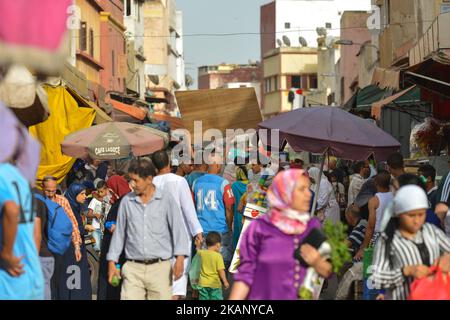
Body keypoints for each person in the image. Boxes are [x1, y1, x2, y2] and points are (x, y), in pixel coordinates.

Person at [229, 169, 332, 300]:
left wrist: (317, 262)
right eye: (301, 189)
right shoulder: (259, 228)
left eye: (308, 188)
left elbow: (326, 270)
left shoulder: (312, 227)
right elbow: (245, 275)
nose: (308, 194)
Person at [107, 159, 190, 300]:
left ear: (149, 179)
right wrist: (111, 261)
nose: (132, 185)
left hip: (160, 269)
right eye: (131, 180)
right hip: (133, 269)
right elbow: (119, 234)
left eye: (136, 180)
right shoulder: (127, 201)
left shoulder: (166, 199)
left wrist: (180, 259)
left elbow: (178, 229)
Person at [371, 185, 450, 300]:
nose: (417, 220)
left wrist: (447, 258)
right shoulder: (388, 240)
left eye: (421, 214)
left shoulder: (431, 231)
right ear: (399, 213)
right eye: (411, 215)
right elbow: (377, 277)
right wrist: (406, 271)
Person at [151, 150, 203, 300]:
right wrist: (197, 232)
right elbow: (188, 209)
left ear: (154, 167)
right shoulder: (179, 181)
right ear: (168, 163)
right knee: (177, 279)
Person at [0, 162, 44, 300]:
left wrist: (6, 254)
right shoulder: (26, 189)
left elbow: (11, 210)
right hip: (27, 269)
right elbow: (36, 233)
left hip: (9, 273)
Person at [42, 176, 83, 299]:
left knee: (57, 282)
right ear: (42, 187)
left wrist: (76, 246)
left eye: (53, 191)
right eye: (48, 191)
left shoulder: (62, 201)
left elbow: (72, 224)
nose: (50, 194)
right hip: (42, 248)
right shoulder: (37, 201)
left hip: (59, 248)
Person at [193, 155, 236, 269]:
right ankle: (221, 285)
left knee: (204, 264)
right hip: (220, 230)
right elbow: (229, 208)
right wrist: (229, 224)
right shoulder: (224, 183)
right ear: (217, 165)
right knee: (222, 263)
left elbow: (192, 206)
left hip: (201, 230)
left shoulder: (196, 183)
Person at [97, 175, 131, 300]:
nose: (109, 193)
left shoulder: (124, 202)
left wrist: (111, 226)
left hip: (116, 250)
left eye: (110, 190)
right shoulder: (122, 201)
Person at [56, 183, 92, 300]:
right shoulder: (68, 208)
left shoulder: (75, 207)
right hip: (71, 249)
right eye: (81, 194)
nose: (85, 196)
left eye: (85, 193)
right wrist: (84, 228)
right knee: (73, 277)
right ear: (73, 194)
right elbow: (69, 228)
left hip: (76, 247)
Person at [354, 171, 393, 261]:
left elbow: (371, 225)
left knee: (370, 263)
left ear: (375, 183)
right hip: (392, 235)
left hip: (378, 235)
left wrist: (363, 247)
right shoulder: (395, 196)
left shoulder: (374, 200)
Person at [195, 232, 230, 300]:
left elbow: (197, 249)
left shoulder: (201, 253)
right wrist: (225, 281)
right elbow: (221, 271)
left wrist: (198, 244)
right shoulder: (218, 256)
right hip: (214, 284)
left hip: (202, 283)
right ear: (218, 244)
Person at [33, 188, 54, 300]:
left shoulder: (31, 198)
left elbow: (36, 233)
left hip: (37, 257)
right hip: (46, 255)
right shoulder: (41, 196)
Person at [87, 179, 111, 253]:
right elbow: (89, 214)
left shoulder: (109, 201)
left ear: (107, 190)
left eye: (102, 192)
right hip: (96, 228)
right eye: (98, 191)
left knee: (105, 249)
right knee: (97, 247)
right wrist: (95, 214)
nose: (100, 193)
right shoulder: (94, 200)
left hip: (106, 228)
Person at [231, 164, 249, 251]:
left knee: (237, 237)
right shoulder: (251, 185)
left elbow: (232, 202)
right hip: (249, 215)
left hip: (238, 215)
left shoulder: (234, 185)